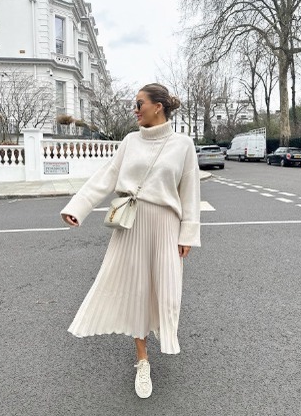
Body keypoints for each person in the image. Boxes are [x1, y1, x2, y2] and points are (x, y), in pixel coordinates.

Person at [60, 82, 200, 399]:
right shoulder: (129, 142)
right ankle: (142, 359)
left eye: (139, 104)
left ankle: (164, 338)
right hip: (131, 224)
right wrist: (78, 207)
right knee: (136, 290)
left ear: (158, 106)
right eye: (134, 105)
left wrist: (188, 232)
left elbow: (190, 190)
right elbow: (106, 176)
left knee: (166, 290)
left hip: (166, 226)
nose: (135, 110)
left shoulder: (183, 145)